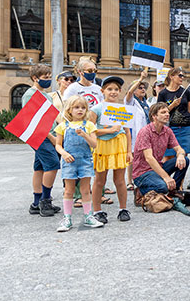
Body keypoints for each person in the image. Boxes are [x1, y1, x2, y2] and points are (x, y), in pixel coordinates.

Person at [53, 95, 103, 231]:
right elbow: (58, 145)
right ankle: (67, 218)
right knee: (68, 190)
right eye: (76, 107)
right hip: (69, 161)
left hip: (85, 161)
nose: (80, 110)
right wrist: (63, 153)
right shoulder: (63, 126)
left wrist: (85, 135)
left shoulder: (90, 125)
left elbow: (94, 144)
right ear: (69, 110)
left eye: (83, 108)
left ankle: (88, 216)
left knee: (85, 190)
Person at [90, 76, 132, 224]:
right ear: (103, 91)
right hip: (102, 145)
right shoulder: (96, 109)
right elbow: (90, 130)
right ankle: (97, 210)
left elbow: (127, 132)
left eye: (116, 89)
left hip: (119, 145)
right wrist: (109, 131)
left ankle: (123, 209)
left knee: (119, 180)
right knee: (100, 180)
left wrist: (128, 151)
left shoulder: (122, 109)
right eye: (109, 89)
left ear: (120, 91)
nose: (113, 92)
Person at [23, 64, 61, 217]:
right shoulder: (30, 94)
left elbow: (51, 116)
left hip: (47, 133)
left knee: (39, 167)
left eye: (49, 76)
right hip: (40, 135)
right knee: (52, 164)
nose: (49, 80)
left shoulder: (45, 95)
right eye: (45, 77)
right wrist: (52, 138)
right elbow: (33, 120)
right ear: (35, 78)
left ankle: (36, 203)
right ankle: (45, 200)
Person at [132, 102, 190, 196]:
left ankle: (173, 190)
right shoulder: (145, 132)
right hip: (143, 173)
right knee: (162, 187)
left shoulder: (167, 131)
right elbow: (149, 158)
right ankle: (140, 191)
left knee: (185, 160)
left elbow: (180, 149)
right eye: (163, 112)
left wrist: (180, 155)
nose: (167, 114)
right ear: (154, 116)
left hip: (158, 167)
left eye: (167, 112)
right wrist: (166, 178)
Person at [158, 67, 190, 158]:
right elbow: (160, 112)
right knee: (169, 156)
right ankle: (166, 173)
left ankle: (180, 173)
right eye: (180, 75)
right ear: (171, 76)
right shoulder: (163, 94)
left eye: (183, 76)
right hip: (171, 128)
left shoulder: (185, 92)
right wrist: (172, 105)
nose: (182, 78)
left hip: (186, 128)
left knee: (183, 156)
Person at [124, 70, 151, 191]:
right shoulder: (130, 101)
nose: (142, 89)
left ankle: (141, 178)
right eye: (140, 87)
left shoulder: (146, 102)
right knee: (132, 157)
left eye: (143, 87)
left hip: (145, 133)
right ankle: (129, 181)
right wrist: (140, 78)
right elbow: (129, 92)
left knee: (144, 157)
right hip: (134, 132)